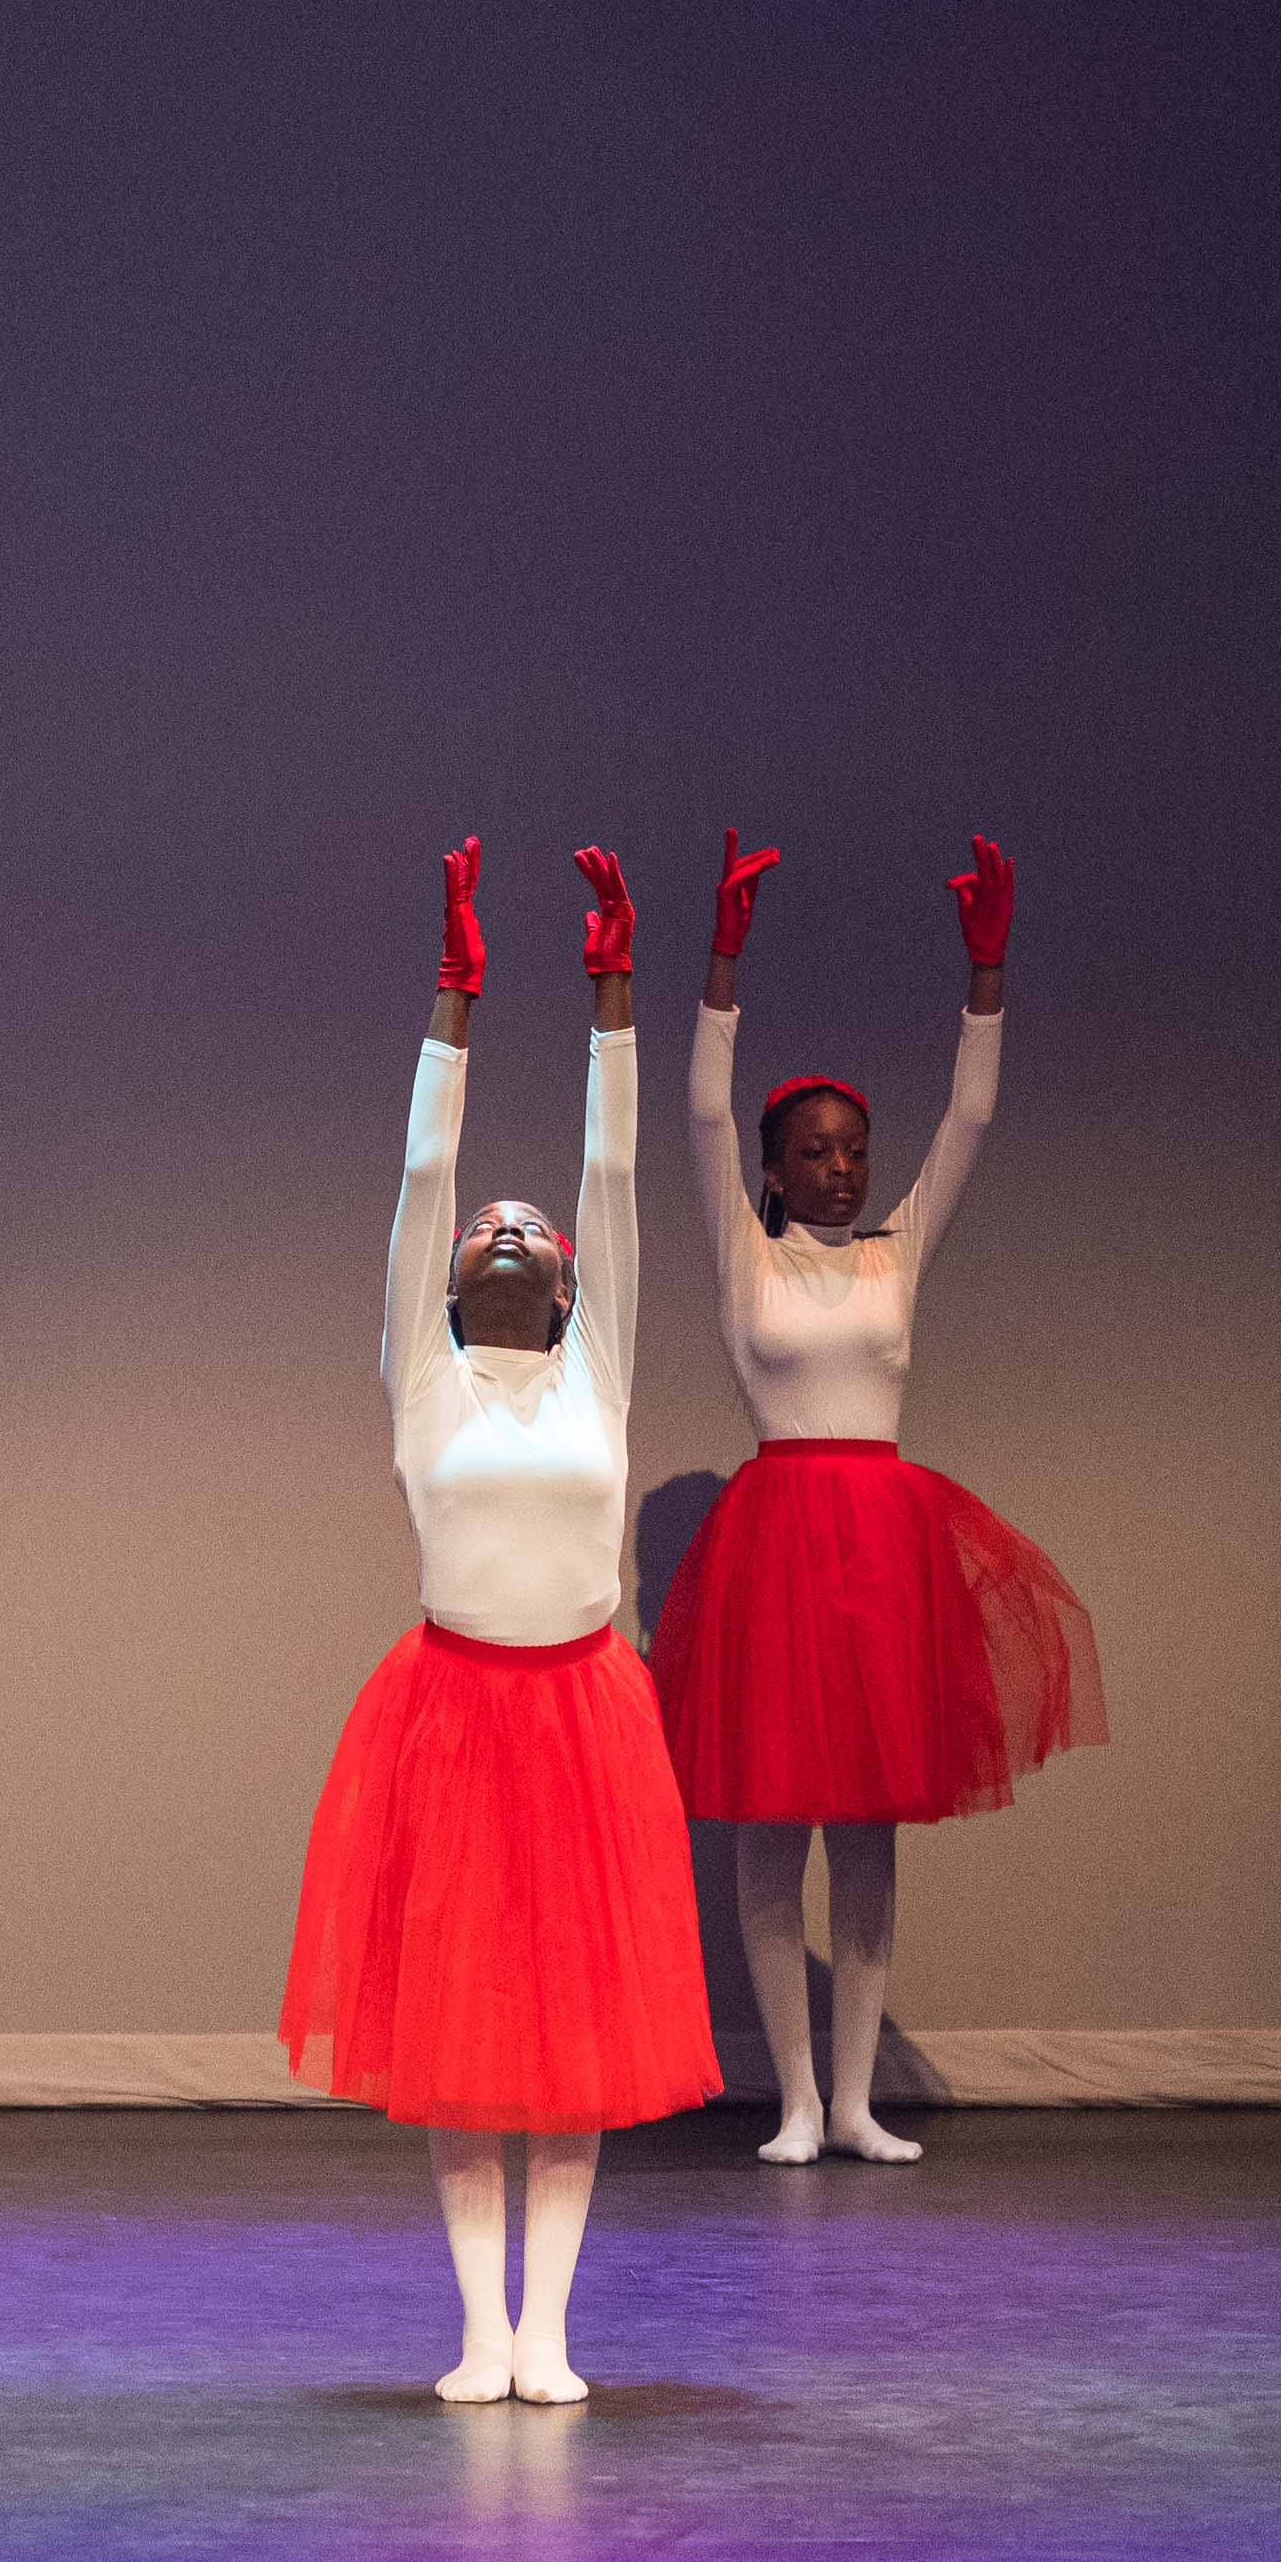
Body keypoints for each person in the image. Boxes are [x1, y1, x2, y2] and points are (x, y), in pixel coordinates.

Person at [282, 839, 721, 2405]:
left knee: (575, 2033)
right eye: (490, 1226)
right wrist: (452, 1002)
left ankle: (553, 2329)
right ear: (456, 1279)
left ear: (579, 1280)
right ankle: (482, 2325)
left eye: (535, 1224)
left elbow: (616, 1171)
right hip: (456, 1714)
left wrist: (616, 995)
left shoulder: (601, 1370)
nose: (511, 1225)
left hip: (586, 1713)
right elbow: (422, 1179)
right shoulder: (427, 1374)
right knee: (468, 2034)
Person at [651, 831, 1103, 2164]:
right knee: (770, 1825)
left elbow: (972, 1122)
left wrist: (986, 977)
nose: (843, 1168)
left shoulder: (897, 1253)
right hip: (780, 1547)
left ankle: (855, 2101)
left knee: (865, 1828)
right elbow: (702, 1116)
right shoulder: (745, 1258)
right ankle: (795, 2099)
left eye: (855, 1149)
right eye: (817, 1152)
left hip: (883, 1551)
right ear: (777, 1171)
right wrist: (722, 963)